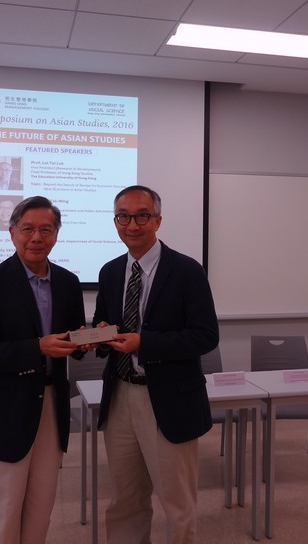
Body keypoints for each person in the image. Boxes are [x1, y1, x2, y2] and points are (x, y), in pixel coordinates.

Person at [93, 185, 219, 544]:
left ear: (157, 220)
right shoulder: (110, 271)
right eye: (123, 216)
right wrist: (101, 334)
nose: (132, 225)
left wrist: (144, 343)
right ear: (115, 221)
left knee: (177, 503)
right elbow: (106, 321)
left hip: (168, 400)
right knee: (124, 500)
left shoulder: (186, 271)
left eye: (142, 216)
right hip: (119, 397)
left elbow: (205, 336)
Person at [0, 195, 87, 544]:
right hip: (5, 407)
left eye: (46, 229)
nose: (37, 237)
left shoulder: (67, 281)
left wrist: (87, 342)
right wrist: (36, 348)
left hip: (51, 402)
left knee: (41, 504)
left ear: (56, 234)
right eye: (28, 229)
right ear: (12, 232)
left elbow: (71, 339)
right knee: (1, 508)